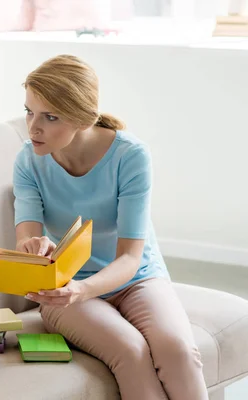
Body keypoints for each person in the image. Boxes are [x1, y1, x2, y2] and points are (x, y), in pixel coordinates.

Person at [14, 55, 208, 400]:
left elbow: (130, 258)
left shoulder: (130, 156)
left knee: (178, 351)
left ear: (81, 117)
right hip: (64, 292)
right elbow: (26, 235)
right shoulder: (28, 160)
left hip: (137, 278)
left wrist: (84, 289)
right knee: (130, 351)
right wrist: (32, 249)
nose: (32, 128)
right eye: (29, 111)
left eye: (49, 116)